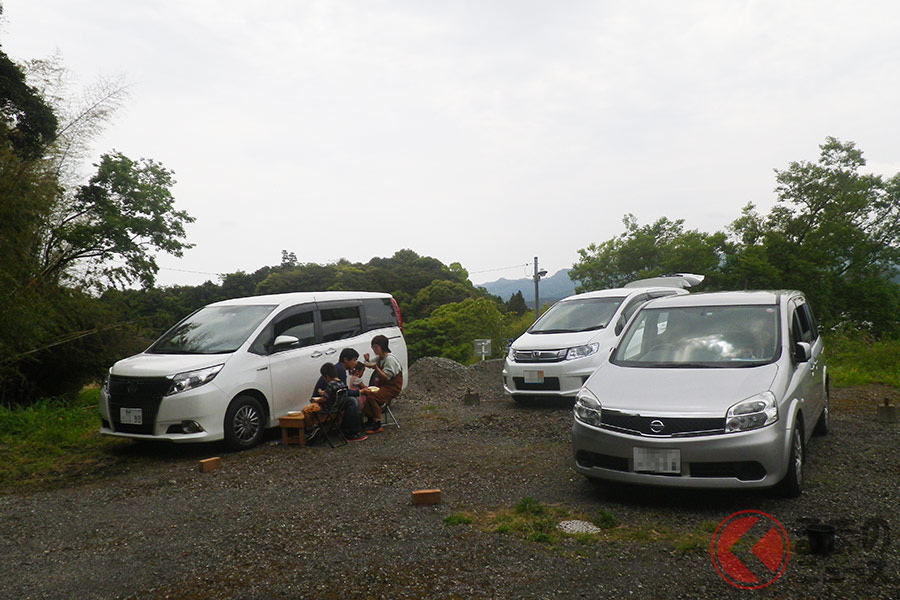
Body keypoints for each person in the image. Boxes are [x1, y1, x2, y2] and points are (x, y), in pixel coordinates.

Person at [311, 362, 367, 442]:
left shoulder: (331, 384)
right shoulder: (340, 382)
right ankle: (354, 430)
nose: (355, 363)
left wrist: (316, 400)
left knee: (351, 400)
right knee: (351, 401)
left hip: (329, 407)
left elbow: (325, 398)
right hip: (337, 406)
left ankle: (351, 432)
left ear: (326, 376)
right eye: (354, 360)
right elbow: (336, 392)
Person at [360, 334, 403, 434]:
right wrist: (367, 360)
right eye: (373, 347)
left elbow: (386, 377)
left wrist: (377, 369)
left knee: (373, 397)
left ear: (383, 346)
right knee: (367, 394)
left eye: (376, 347)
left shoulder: (389, 359)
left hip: (392, 387)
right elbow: (370, 364)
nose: (374, 349)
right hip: (384, 386)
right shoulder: (380, 358)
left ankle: (377, 423)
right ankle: (370, 420)